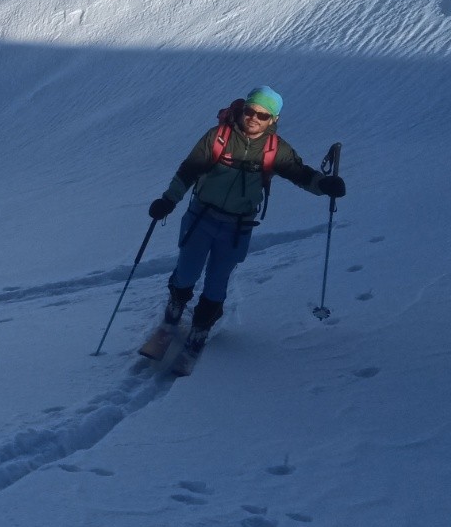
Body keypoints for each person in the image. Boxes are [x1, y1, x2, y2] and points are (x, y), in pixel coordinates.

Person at [144, 86, 345, 363]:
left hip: (236, 227)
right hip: (201, 216)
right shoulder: (218, 137)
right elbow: (188, 170)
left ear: (273, 119)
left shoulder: (276, 149)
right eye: (250, 111)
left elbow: (300, 174)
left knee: (217, 283)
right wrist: (168, 200)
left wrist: (325, 185)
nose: (254, 118)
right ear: (242, 110)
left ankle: (201, 328)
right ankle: (175, 308)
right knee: (187, 272)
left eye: (262, 115)